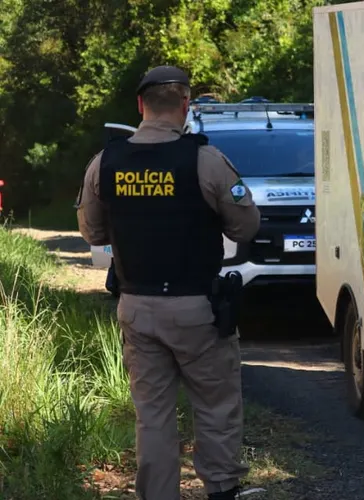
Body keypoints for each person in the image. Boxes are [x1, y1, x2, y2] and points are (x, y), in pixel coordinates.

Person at [76, 65, 260, 500]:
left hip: (137, 308)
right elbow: (246, 228)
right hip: (198, 311)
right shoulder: (206, 160)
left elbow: (93, 233)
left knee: (152, 416)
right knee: (215, 407)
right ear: (185, 106)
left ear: (140, 106)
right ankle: (220, 492)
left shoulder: (106, 162)